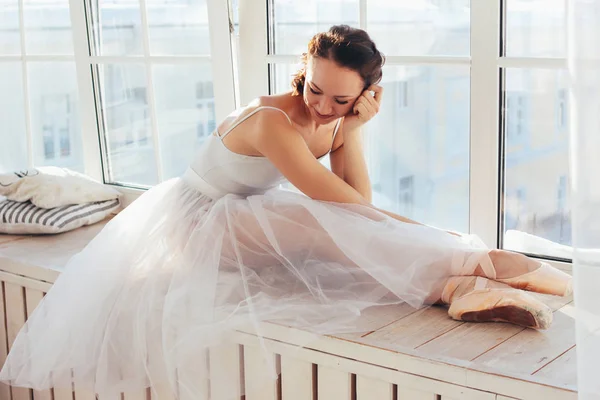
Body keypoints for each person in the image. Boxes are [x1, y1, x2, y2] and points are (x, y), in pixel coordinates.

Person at [0, 25, 571, 398]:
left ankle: (458, 285)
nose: (321, 104)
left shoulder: (339, 119)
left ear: (366, 93)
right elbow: (336, 204)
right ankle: (474, 264)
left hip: (241, 216)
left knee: (330, 237)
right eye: (317, 88)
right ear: (307, 67)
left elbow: (358, 205)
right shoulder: (272, 120)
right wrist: (434, 231)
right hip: (198, 225)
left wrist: (353, 131)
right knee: (312, 224)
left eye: (340, 99)